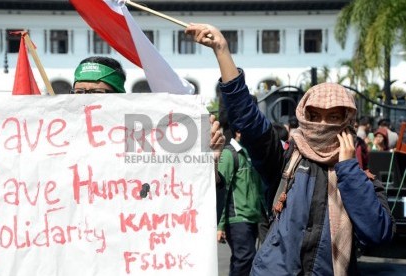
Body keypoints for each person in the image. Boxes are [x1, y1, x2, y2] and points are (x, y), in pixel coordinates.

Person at [185, 23, 394, 275]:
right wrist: (222, 50)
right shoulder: (286, 162)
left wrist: (348, 169)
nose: (323, 124)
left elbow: (377, 233)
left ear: (346, 121)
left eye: (334, 116)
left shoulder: (361, 179)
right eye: (314, 116)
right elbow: (248, 118)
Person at [72, 56, 225, 182]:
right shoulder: (56, 139)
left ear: (117, 95)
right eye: (79, 92)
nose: (87, 99)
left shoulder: (146, 139)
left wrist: (210, 167)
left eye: (97, 92)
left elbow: (181, 191)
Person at [217, 128, 264, 276]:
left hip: (252, 217)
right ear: (238, 132)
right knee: (245, 257)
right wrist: (220, 224)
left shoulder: (249, 153)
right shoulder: (229, 154)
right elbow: (221, 191)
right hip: (237, 218)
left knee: (245, 260)